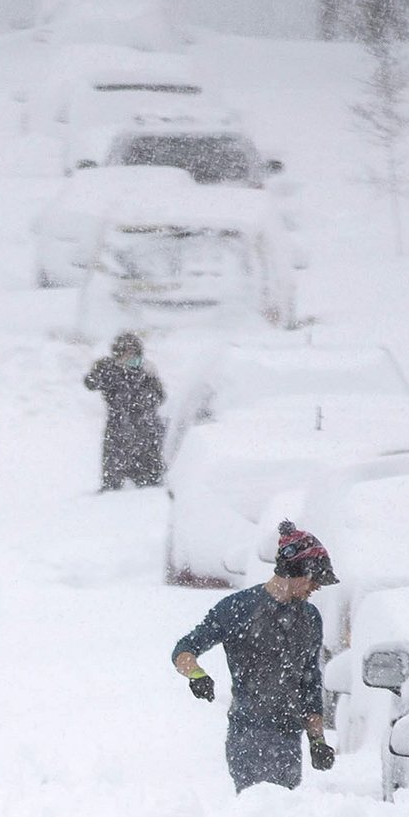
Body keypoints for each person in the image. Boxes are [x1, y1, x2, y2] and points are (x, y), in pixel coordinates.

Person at [170, 521, 338, 791]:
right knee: (255, 813)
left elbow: (310, 682)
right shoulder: (238, 609)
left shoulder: (310, 618)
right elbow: (185, 649)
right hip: (247, 736)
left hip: (288, 739)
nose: (313, 590)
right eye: (313, 582)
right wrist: (196, 675)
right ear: (299, 573)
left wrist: (317, 740)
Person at [84, 332, 166, 491]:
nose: (130, 356)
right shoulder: (111, 372)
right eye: (125, 352)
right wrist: (103, 368)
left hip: (146, 436)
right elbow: (91, 382)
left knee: (150, 485)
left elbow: (159, 397)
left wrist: (148, 387)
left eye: (133, 352)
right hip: (118, 434)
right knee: (112, 486)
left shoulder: (147, 373)